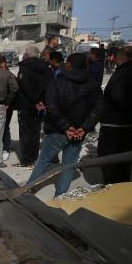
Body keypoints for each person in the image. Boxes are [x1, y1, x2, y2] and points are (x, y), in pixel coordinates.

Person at [25, 53, 101, 196]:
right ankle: (61, 194)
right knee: (69, 164)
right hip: (78, 132)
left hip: (58, 131)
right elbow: (97, 110)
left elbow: (52, 107)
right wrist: (83, 128)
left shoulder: (57, 82)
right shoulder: (93, 84)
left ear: (69, 64)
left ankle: (28, 189)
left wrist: (67, 127)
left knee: (44, 161)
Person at [97, 45, 132, 184]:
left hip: (115, 124)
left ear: (119, 58)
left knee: (109, 158)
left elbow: (118, 98)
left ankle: (111, 186)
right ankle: (121, 184)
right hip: (130, 124)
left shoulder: (122, 74)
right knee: (124, 156)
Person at [15, 50, 54, 166]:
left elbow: (24, 87)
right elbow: (50, 86)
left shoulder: (25, 68)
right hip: (41, 105)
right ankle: (34, 157)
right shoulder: (47, 68)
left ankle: (27, 160)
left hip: (27, 105)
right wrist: (42, 102)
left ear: (27, 56)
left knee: (25, 132)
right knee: (35, 131)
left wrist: (35, 101)